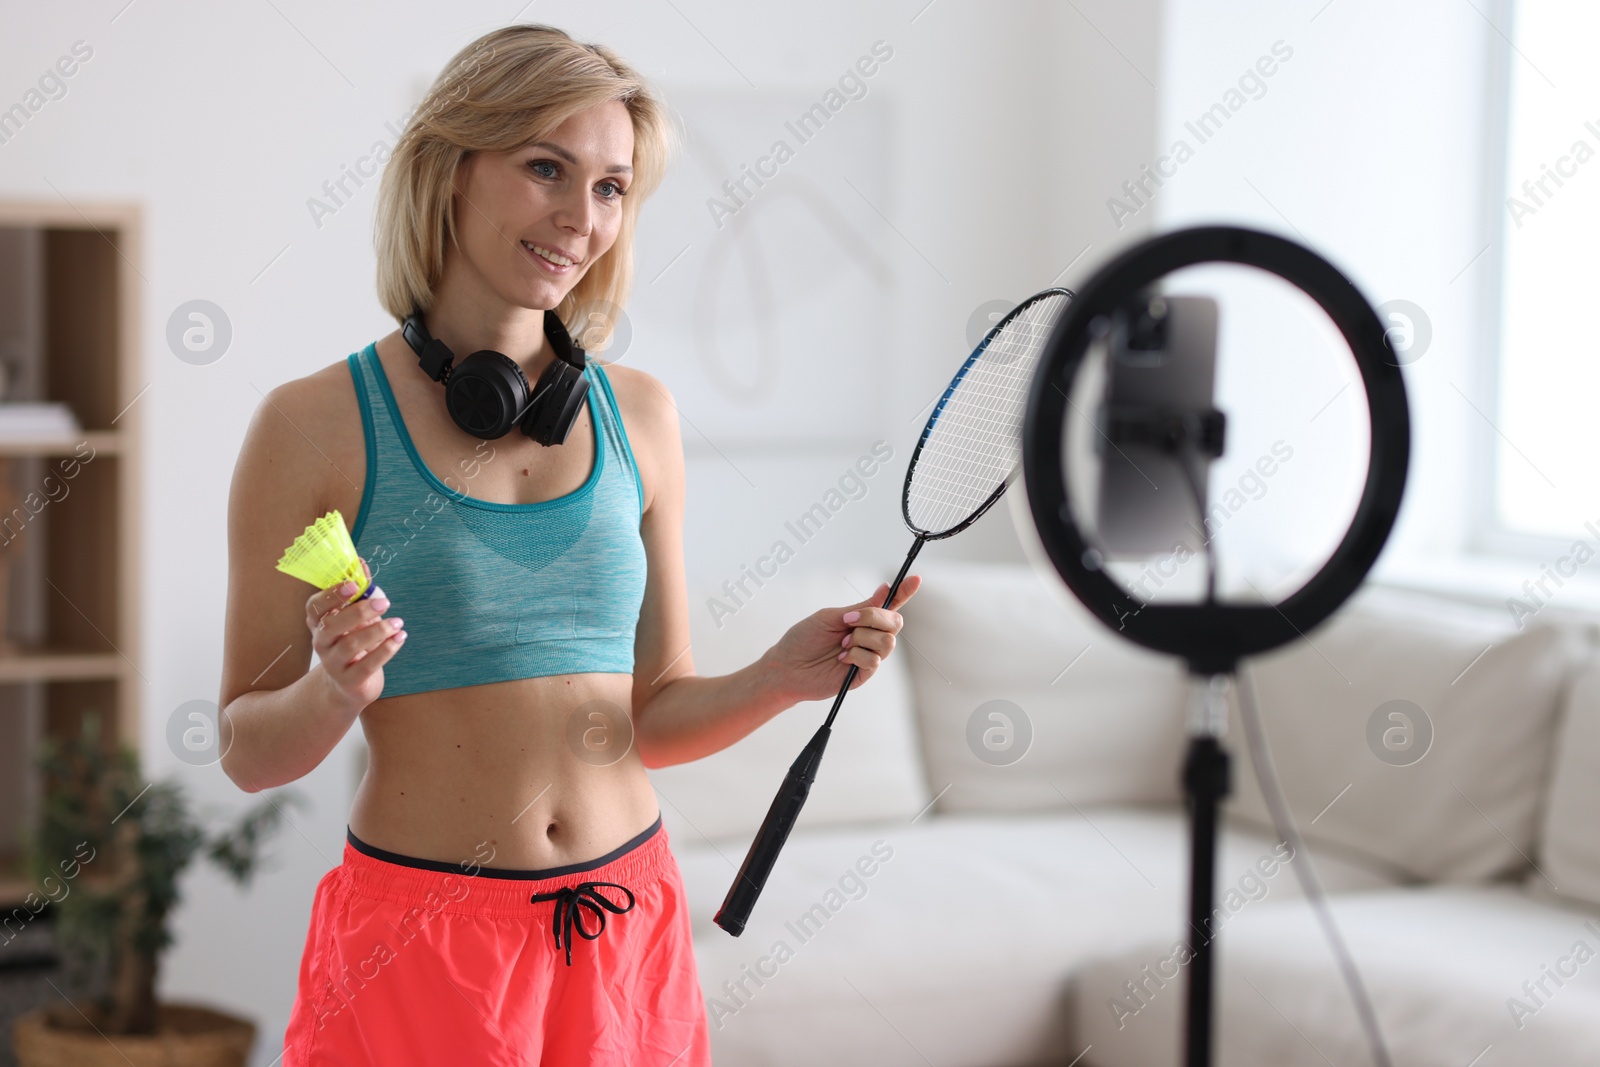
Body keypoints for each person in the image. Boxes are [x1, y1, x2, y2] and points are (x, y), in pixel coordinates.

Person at [216, 23, 919, 1067]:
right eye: (546, 167)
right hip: (422, 939)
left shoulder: (641, 415)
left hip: (624, 921)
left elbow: (656, 711)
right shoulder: (310, 425)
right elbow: (242, 748)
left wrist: (778, 675)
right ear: (452, 170)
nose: (578, 218)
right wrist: (333, 691)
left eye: (610, 188)